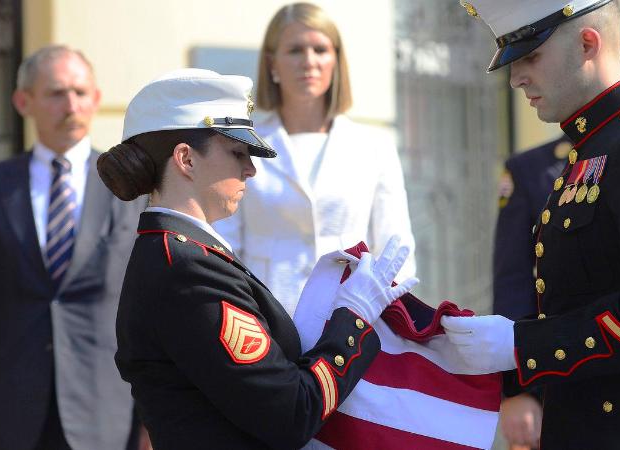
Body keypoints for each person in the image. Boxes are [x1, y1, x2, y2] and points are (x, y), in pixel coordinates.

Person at [446, 1, 620, 448]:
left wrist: (523, 345)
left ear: (587, 43)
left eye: (531, 57)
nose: (516, 78)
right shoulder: (592, 151)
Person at [97, 68, 418, 449]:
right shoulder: (189, 268)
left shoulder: (184, 254)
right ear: (185, 159)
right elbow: (291, 412)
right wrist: (354, 320)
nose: (250, 168)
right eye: (237, 153)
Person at [0, 45, 145, 450]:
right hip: (5, 414)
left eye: (81, 93)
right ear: (23, 101)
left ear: (97, 99)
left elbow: (150, 311)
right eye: (56, 93)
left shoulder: (133, 191)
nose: (71, 105)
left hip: (106, 414)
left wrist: (154, 419)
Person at [213, 2, 416, 317]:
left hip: (352, 326)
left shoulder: (374, 147)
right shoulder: (241, 145)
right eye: (295, 50)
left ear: (336, 60)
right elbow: (224, 246)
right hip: (265, 323)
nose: (309, 62)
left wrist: (387, 325)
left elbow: (395, 248)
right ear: (272, 64)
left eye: (320, 49)